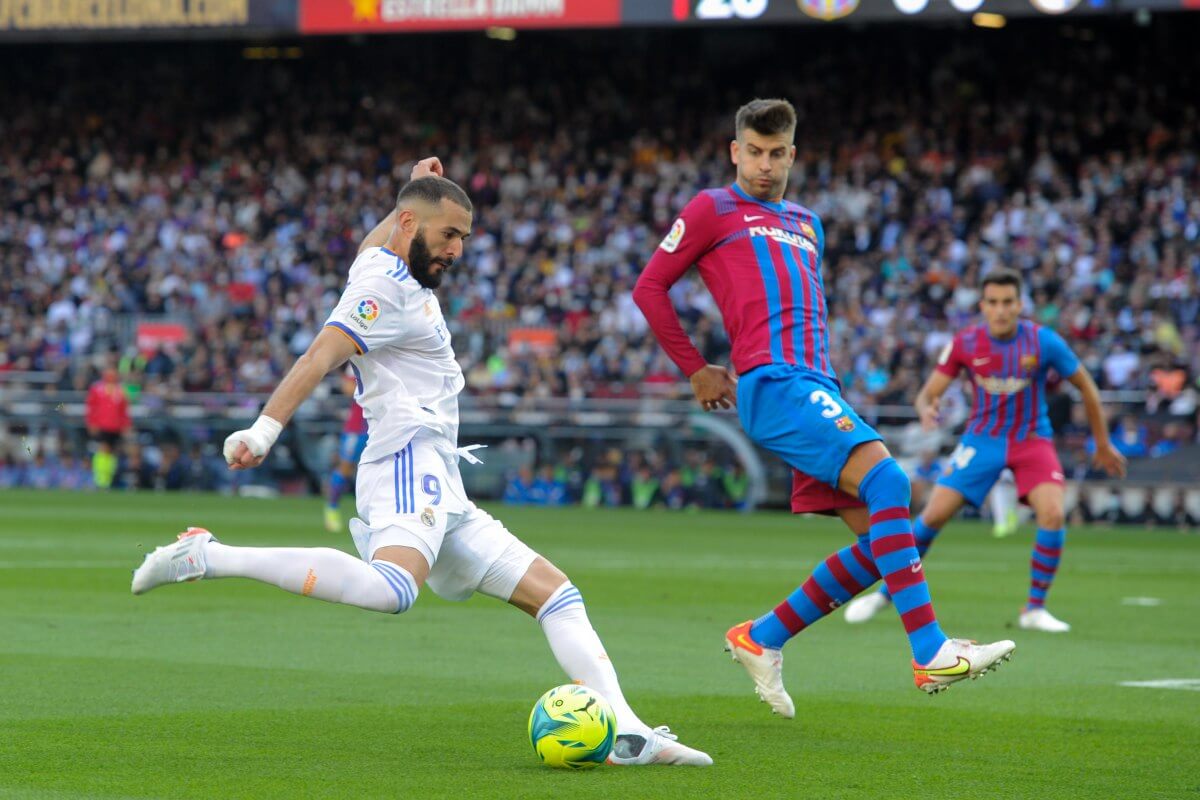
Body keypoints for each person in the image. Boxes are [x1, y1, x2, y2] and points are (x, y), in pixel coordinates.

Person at [132, 161, 710, 767]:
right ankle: (207, 556)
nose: (457, 249)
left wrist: (406, 190)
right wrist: (264, 429)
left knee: (558, 596)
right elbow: (320, 354)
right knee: (392, 590)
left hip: (442, 478)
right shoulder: (383, 291)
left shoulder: (382, 259)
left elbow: (373, 241)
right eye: (449, 235)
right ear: (411, 224)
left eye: (463, 236)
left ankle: (629, 734)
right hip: (407, 458)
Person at [634, 98, 1014, 714]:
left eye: (776, 153)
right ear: (735, 151)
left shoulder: (805, 220)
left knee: (885, 545)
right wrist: (696, 368)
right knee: (890, 479)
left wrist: (828, 390)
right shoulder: (711, 208)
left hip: (817, 386)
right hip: (775, 384)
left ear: (793, 154)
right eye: (753, 152)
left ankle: (762, 637)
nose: (764, 164)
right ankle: (931, 652)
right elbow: (648, 287)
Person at [842, 270, 1126, 633]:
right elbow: (927, 393)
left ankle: (1034, 609)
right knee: (932, 517)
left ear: (1020, 304)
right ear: (983, 306)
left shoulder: (1043, 341)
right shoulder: (966, 342)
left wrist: (1102, 444)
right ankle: (884, 595)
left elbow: (1087, 387)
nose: (1001, 310)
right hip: (982, 440)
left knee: (1053, 514)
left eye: (1008, 302)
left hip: (1031, 440)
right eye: (993, 303)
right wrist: (927, 407)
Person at [325, 375, 369, 533]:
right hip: (356, 428)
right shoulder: (359, 355)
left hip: (379, 427)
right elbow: (347, 388)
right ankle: (332, 509)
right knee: (345, 468)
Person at [84, 367, 130, 489]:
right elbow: (91, 408)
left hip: (116, 426)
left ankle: (109, 479)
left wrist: (126, 425)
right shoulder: (97, 389)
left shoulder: (120, 391)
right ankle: (100, 479)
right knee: (103, 450)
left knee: (112, 452)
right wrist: (92, 423)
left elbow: (124, 411)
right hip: (102, 425)